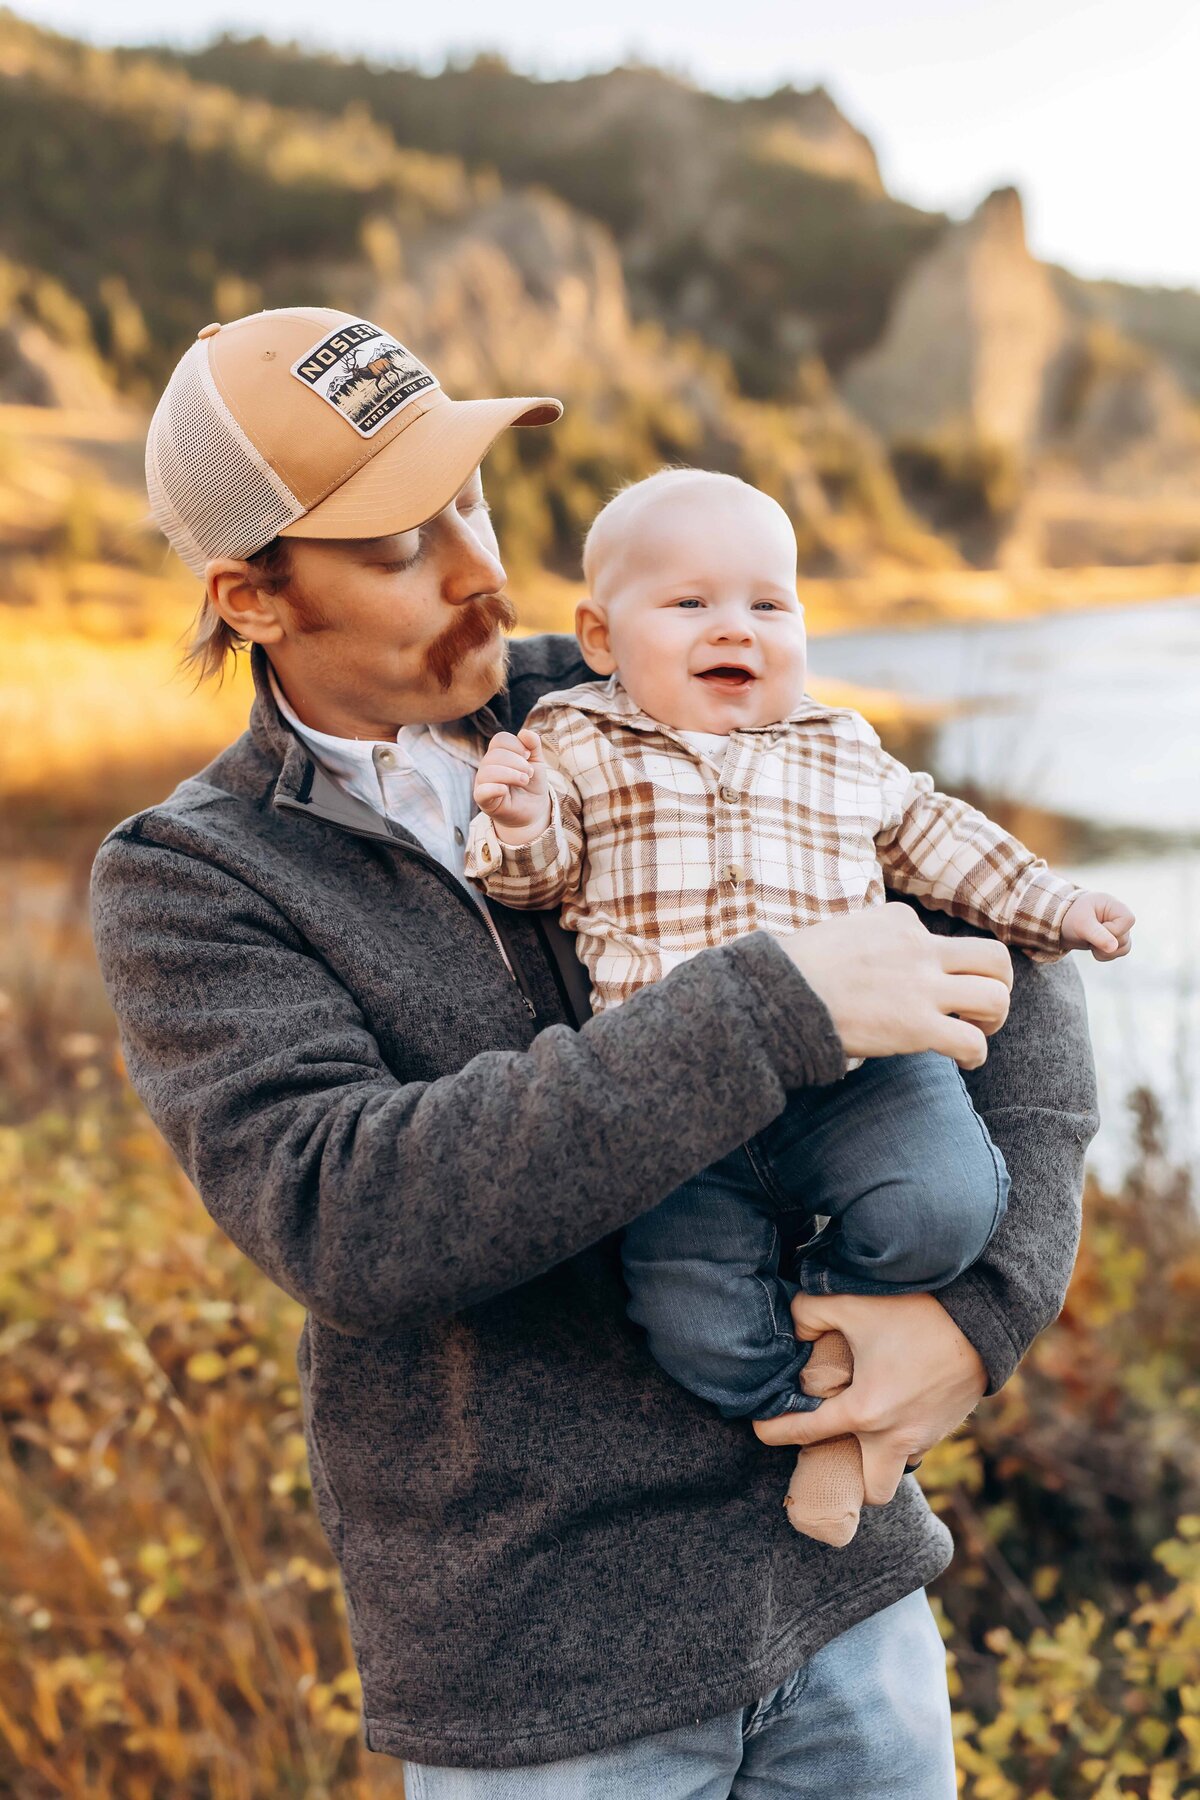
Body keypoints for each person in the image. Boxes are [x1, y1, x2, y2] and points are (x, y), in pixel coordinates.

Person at [90, 307, 1099, 1799]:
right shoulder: (195, 875)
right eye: (393, 547)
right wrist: (777, 1005)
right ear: (250, 597)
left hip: (843, 1589)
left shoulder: (647, 668)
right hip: (548, 1680)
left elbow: (999, 923)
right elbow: (349, 1217)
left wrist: (987, 1310)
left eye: (469, 499)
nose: (478, 568)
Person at [464, 466, 1133, 1548]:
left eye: (769, 605)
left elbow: (942, 843)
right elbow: (534, 880)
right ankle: (811, 1412)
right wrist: (521, 815)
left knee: (946, 1207)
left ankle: (836, 1316)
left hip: (861, 1077)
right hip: (674, 1105)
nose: (737, 628)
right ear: (600, 636)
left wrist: (1059, 903)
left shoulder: (840, 743)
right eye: (690, 605)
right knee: (695, 1323)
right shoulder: (574, 739)